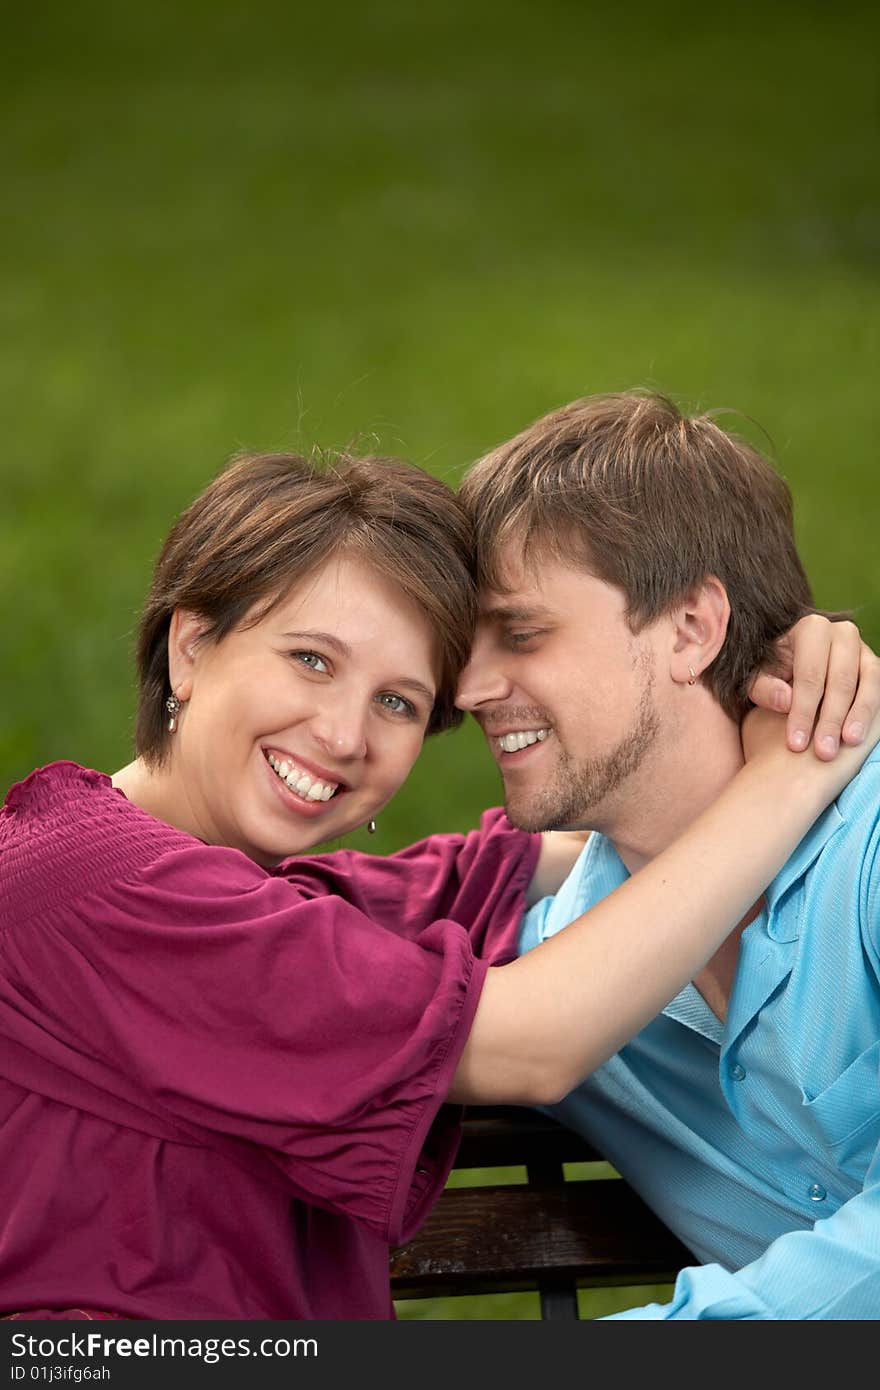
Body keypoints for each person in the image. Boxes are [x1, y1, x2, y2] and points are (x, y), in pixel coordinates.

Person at [0, 451, 873, 1323]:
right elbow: (530, 1039)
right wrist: (794, 772)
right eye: (310, 659)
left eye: (399, 703)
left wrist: (780, 672)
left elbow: (480, 872)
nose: (343, 735)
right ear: (190, 646)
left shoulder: (256, 899)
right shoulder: (89, 884)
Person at [456, 390, 880, 1319]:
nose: (472, 687)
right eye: (467, 643)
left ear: (692, 629)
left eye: (520, 632)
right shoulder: (568, 981)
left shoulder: (869, 853)